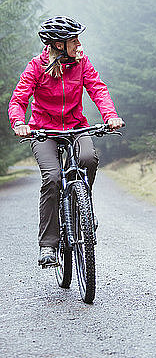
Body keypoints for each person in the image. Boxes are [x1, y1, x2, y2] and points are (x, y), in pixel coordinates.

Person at [9, 16, 124, 267]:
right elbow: (19, 100)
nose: (79, 44)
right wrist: (19, 123)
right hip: (43, 131)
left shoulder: (82, 63)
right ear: (59, 45)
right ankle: (48, 245)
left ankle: (84, 208)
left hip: (75, 126)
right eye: (74, 40)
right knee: (51, 177)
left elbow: (98, 89)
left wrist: (111, 115)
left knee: (88, 158)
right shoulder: (36, 67)